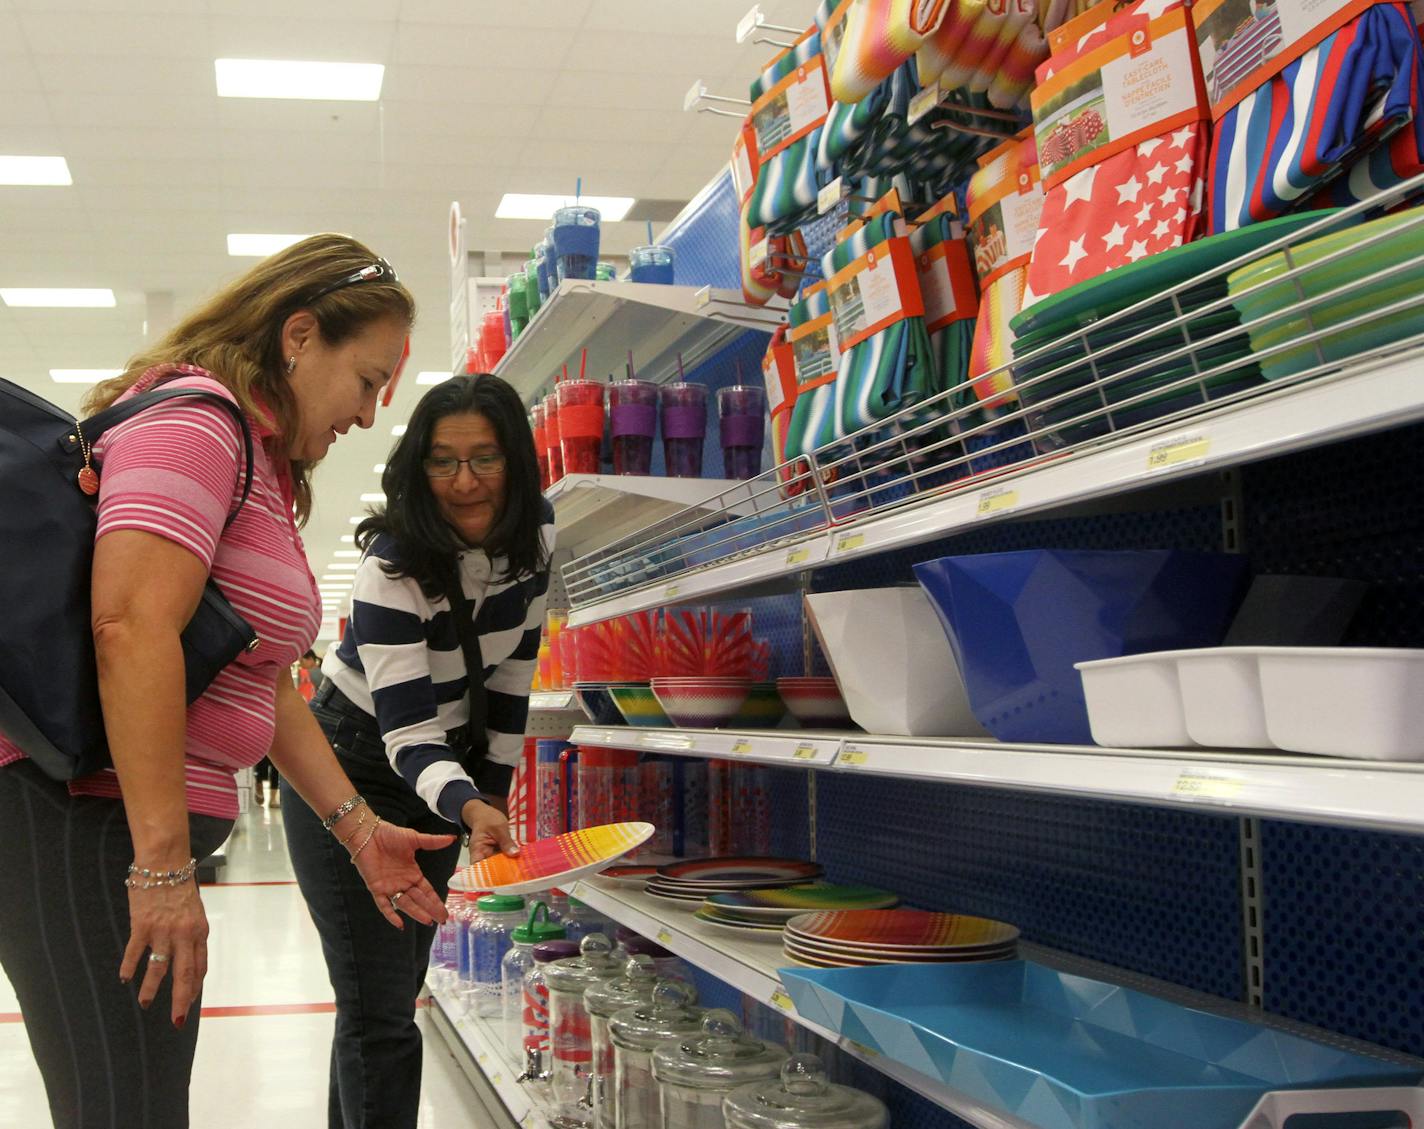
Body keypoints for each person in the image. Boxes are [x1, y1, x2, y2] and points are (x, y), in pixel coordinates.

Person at [0, 234, 458, 1129]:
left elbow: (260, 681)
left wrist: (359, 830)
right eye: (366, 381)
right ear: (298, 337)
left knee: (139, 1101)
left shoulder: (256, 457)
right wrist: (162, 866)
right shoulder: (200, 425)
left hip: (111, 828)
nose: (370, 414)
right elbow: (129, 630)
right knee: (123, 1109)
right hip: (82, 822)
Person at [283, 373, 553, 1129]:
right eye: (442, 460)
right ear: (418, 467)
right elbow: (409, 734)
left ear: (518, 463)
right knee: (381, 1016)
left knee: (387, 999)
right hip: (352, 767)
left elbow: (511, 679)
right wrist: (469, 804)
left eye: (486, 458)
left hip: (444, 775)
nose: (465, 482)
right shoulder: (394, 568)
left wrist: (489, 800)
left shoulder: (537, 536)